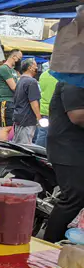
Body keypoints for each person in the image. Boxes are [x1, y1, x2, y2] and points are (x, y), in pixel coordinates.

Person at [45, 82, 84, 242]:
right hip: (68, 148)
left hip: (75, 148)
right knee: (75, 196)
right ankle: (49, 247)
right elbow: (78, 115)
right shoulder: (74, 79)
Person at [12, 58, 42, 145]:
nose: (37, 67)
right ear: (30, 68)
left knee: (18, 142)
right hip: (27, 118)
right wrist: (38, 117)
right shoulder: (31, 82)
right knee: (25, 145)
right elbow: (33, 101)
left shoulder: (20, 80)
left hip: (18, 115)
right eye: (35, 65)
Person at [0, 49, 23, 140]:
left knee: (9, 127)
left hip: (12, 101)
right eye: (19, 58)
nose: (19, 61)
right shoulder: (4, 68)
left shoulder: (13, 71)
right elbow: (14, 87)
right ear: (14, 57)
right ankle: (0, 147)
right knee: (5, 127)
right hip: (5, 101)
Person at [35, 67, 59, 147]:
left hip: (44, 109)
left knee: (42, 133)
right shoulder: (60, 76)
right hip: (56, 109)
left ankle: (38, 153)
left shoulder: (43, 75)